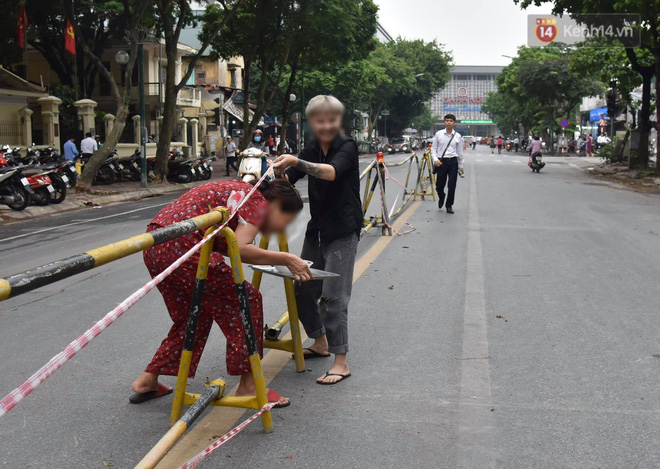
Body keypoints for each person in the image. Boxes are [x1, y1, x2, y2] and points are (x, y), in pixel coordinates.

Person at [130, 179, 310, 407]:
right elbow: (243, 248)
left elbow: (231, 242)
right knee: (247, 300)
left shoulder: (241, 191)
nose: (280, 230)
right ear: (277, 206)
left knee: (194, 315)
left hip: (157, 244)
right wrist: (287, 258)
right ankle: (249, 384)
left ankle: (148, 380)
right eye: (286, 221)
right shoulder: (258, 202)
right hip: (185, 247)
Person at [272, 95, 361, 386]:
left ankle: (341, 361)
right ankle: (320, 341)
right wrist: (277, 174)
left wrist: (297, 161)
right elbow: (289, 180)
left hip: (342, 231)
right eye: (319, 120)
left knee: (333, 296)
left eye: (331, 119)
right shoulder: (311, 147)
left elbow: (331, 173)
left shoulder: (347, 146)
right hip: (318, 229)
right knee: (302, 288)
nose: (325, 125)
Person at [431, 114, 464, 214]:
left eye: (450, 121)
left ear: (454, 123)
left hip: (453, 162)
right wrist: (435, 159)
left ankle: (449, 205)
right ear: (444, 122)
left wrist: (461, 165)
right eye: (447, 121)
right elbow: (433, 148)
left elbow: (460, 152)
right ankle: (442, 196)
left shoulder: (458, 136)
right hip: (441, 162)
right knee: (439, 186)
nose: (448, 122)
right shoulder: (438, 134)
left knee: (452, 185)